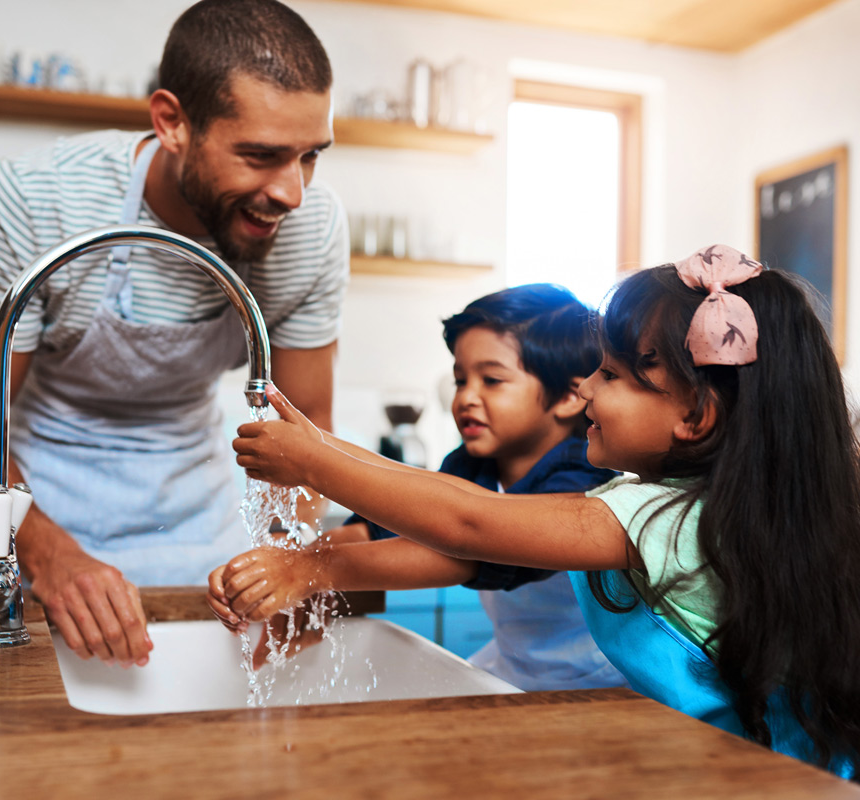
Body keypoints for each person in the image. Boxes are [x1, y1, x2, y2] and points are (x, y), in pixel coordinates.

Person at [222, 245, 860, 779]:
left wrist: (315, 471)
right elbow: (451, 501)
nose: (586, 387)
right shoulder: (683, 504)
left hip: (771, 774)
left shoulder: (656, 517)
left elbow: (470, 527)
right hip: (728, 760)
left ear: (693, 416)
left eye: (610, 376)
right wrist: (321, 453)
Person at [0, 0, 348, 669]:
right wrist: (46, 554)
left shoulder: (311, 230)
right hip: (42, 505)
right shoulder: (36, 202)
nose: (292, 192)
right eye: (261, 156)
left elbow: (309, 426)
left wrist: (288, 554)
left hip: (200, 522)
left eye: (309, 157)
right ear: (172, 123)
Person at [210, 284, 627, 691]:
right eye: (461, 380)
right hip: (513, 671)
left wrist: (309, 568)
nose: (466, 397)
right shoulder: (472, 463)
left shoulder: (585, 475)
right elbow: (382, 526)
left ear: (572, 396)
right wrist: (277, 566)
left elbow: (469, 547)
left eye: (492, 381)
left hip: (603, 686)